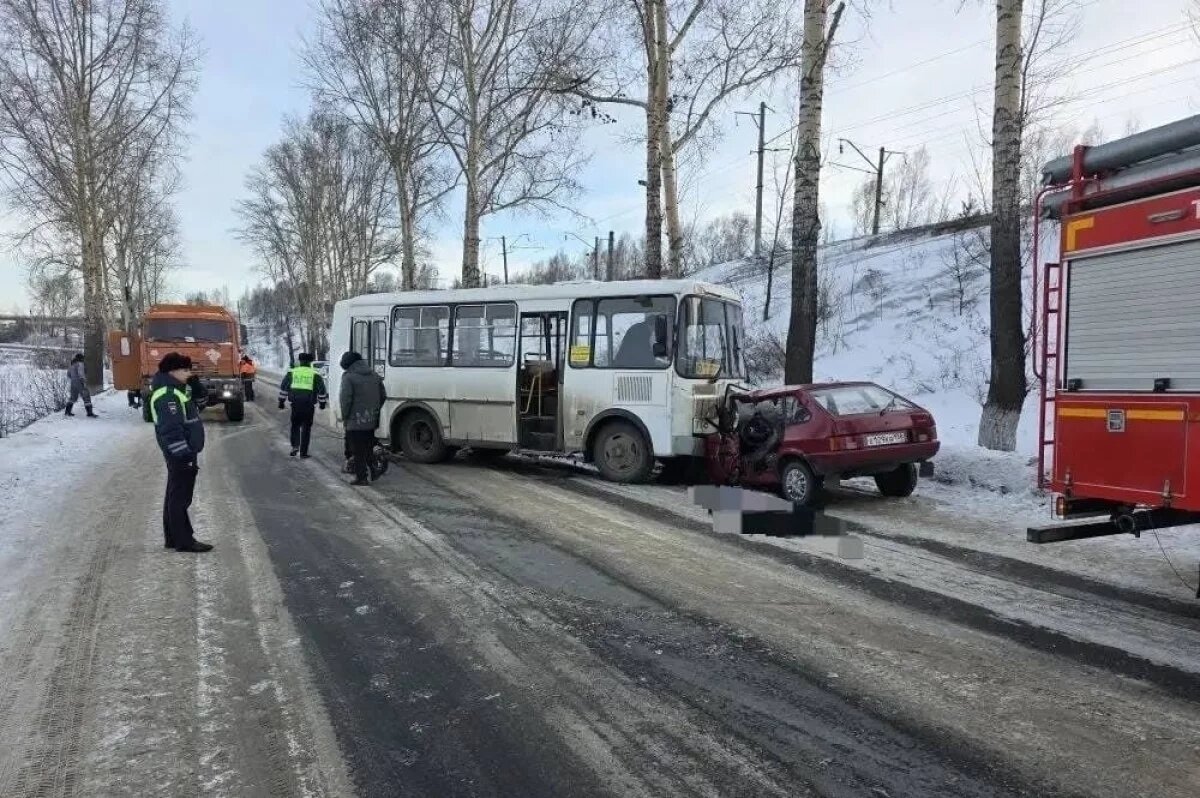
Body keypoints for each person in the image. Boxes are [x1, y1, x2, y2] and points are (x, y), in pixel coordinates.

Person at [150, 353, 213, 553]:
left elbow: (200, 405)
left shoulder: (178, 390)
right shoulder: (167, 395)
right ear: (172, 371)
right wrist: (183, 454)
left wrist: (196, 386)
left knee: (174, 493)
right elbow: (171, 429)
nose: (189, 373)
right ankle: (184, 540)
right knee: (180, 497)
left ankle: (173, 537)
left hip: (183, 451)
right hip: (180, 453)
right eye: (185, 370)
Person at [339, 351, 385, 486]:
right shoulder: (374, 375)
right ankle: (374, 469)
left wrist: (345, 416)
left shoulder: (348, 377)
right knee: (368, 447)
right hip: (371, 419)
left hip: (355, 421)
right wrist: (374, 410)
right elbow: (383, 396)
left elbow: (345, 400)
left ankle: (362, 477)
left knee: (358, 450)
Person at [278, 352, 328, 458]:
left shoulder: (292, 372)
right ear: (310, 362)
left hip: (295, 404)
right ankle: (303, 452)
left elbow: (284, 387)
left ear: (300, 361)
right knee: (306, 428)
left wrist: (281, 401)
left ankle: (295, 446)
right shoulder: (315, 374)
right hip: (308, 405)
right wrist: (322, 403)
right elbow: (322, 390)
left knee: (295, 425)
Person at [64, 353, 96, 418]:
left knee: (73, 397)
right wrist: (83, 381)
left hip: (73, 382)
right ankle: (89, 413)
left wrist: (73, 379)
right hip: (80, 382)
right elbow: (81, 373)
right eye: (82, 358)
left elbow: (68, 374)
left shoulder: (72, 365)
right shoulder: (80, 364)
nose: (83, 359)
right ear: (81, 358)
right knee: (86, 396)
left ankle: (67, 411)